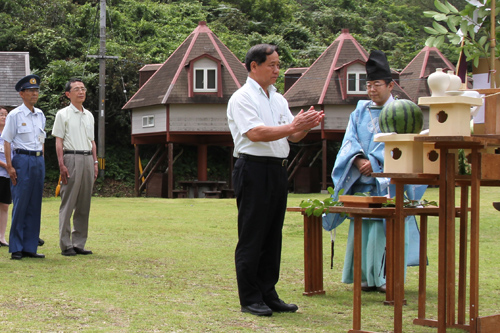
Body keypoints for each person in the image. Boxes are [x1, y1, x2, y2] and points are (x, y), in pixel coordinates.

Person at [227, 44, 324, 316]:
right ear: (253, 66)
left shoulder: (278, 99)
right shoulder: (242, 97)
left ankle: (268, 293)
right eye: (271, 64)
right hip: (253, 168)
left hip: (278, 169)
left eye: (278, 64)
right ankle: (249, 298)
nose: (277, 70)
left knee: (272, 234)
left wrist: (304, 126)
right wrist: (293, 126)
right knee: (252, 233)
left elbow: (291, 136)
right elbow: (255, 133)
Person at [322, 50, 426, 292]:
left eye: (376, 84)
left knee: (384, 227)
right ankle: (364, 277)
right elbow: (350, 139)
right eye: (368, 85)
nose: (371, 90)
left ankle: (386, 278)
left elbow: (404, 143)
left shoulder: (403, 110)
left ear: (391, 85)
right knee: (362, 227)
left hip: (388, 182)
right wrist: (358, 160)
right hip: (361, 180)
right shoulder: (359, 110)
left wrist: (377, 162)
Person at [1, 74, 46, 260]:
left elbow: (42, 140)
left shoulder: (40, 114)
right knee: (20, 204)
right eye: (30, 91)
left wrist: (43, 160)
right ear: (22, 94)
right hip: (22, 160)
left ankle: (30, 246)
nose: (34, 94)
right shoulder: (15, 115)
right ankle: (17, 247)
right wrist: (10, 167)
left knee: (35, 204)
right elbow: (7, 141)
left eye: (36, 91)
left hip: (37, 160)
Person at [52, 78, 97, 256]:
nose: (81, 91)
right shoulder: (62, 114)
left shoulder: (90, 115)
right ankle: (66, 244)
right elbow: (58, 141)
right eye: (77, 89)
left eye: (83, 88)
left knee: (84, 203)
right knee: (68, 202)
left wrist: (95, 162)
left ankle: (79, 243)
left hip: (87, 158)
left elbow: (92, 141)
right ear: (68, 94)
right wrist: (61, 164)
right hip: (71, 156)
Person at [0, 106, 11, 247]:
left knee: (5, 206)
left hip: (7, 176)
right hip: (2, 170)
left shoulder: (9, 136)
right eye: (1, 114)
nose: (3, 117)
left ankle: (1, 237)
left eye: (5, 115)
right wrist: (6, 165)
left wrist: (11, 167)